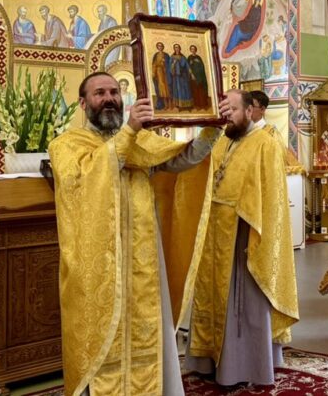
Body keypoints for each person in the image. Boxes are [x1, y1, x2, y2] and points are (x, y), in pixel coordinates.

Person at [49, 72, 221, 395]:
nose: (109, 98)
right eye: (100, 93)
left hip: (143, 262)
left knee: (148, 333)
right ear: (83, 103)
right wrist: (129, 131)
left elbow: (183, 158)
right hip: (97, 267)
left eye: (114, 92)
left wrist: (213, 127)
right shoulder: (65, 146)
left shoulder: (141, 142)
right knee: (96, 337)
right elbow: (90, 177)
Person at [186, 90, 299, 386]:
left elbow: (272, 198)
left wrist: (255, 233)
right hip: (215, 233)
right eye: (224, 109)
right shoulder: (223, 140)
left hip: (245, 236)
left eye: (233, 109)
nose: (227, 115)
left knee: (244, 303)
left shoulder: (266, 144)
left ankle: (243, 366)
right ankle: (208, 358)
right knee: (211, 296)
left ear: (249, 111)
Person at [169, 44, 194, 110]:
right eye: (175, 47)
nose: (177, 49)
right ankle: (180, 105)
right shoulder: (172, 57)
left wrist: (191, 74)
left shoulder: (183, 57)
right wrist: (174, 63)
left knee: (186, 90)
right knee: (178, 90)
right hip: (176, 77)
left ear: (180, 48)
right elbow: (170, 68)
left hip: (184, 76)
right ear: (174, 49)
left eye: (178, 47)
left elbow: (187, 66)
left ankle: (188, 105)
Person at [187, 44, 210, 108]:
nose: (193, 50)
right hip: (193, 77)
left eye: (194, 49)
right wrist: (191, 75)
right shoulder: (189, 58)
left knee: (200, 90)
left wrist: (198, 62)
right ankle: (196, 104)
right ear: (190, 50)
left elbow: (202, 67)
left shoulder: (198, 57)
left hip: (199, 77)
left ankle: (202, 104)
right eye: (191, 49)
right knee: (194, 90)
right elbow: (188, 67)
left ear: (195, 50)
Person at [151, 42, 172, 111]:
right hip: (159, 74)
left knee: (168, 89)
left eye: (161, 46)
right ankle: (165, 105)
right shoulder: (156, 55)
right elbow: (154, 65)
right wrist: (153, 73)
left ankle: (170, 105)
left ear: (163, 47)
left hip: (166, 73)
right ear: (157, 47)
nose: (160, 47)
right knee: (162, 90)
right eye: (159, 46)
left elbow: (169, 64)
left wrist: (165, 62)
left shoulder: (166, 55)